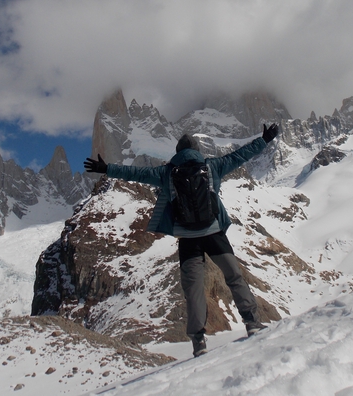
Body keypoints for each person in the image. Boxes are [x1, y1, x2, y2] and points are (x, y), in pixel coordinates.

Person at [84, 123, 279, 357]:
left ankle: (199, 343)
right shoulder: (212, 166)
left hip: (187, 239)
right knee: (234, 277)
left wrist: (107, 168)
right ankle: (252, 323)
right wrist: (265, 139)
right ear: (197, 150)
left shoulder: (166, 172)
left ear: (177, 152)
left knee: (194, 290)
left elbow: (135, 173)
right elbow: (241, 155)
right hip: (214, 233)